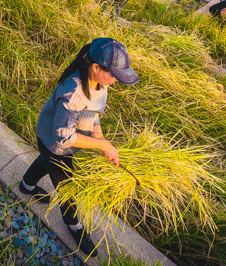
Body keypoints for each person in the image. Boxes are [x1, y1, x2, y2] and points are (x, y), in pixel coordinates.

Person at [19, 38, 139, 256]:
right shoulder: (73, 90)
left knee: (46, 163)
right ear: (96, 67)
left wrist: (98, 136)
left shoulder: (100, 82)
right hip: (56, 143)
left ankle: (26, 186)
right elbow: (64, 137)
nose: (115, 81)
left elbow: (92, 112)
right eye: (113, 74)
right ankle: (74, 226)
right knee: (67, 188)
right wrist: (103, 144)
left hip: (59, 144)